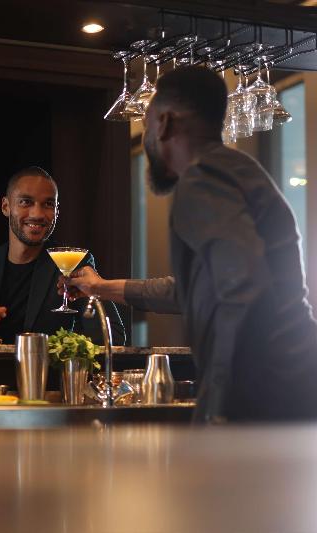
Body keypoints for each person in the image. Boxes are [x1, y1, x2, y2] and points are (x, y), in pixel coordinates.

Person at [64, 66, 317, 423]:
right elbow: (192, 291)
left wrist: (218, 403)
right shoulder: (237, 170)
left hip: (268, 391)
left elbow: (244, 287)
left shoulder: (201, 180)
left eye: (147, 124)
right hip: (292, 382)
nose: (147, 137)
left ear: (164, 122)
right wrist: (100, 287)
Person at [0, 166, 125, 345]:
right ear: (6, 207)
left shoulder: (73, 262)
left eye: (48, 204)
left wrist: (66, 349)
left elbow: (112, 338)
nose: (37, 214)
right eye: (26, 202)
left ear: (57, 211)